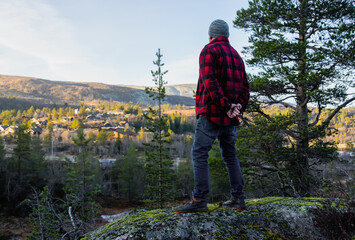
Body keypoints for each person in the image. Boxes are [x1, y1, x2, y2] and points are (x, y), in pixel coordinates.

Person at [175, 19, 249, 213]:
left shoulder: (209, 51)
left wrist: (225, 105)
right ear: (227, 35)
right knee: (230, 156)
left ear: (211, 35)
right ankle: (238, 198)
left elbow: (210, 83)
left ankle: (199, 200)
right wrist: (237, 107)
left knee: (199, 154)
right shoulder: (237, 56)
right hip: (230, 116)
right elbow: (245, 88)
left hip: (211, 113)